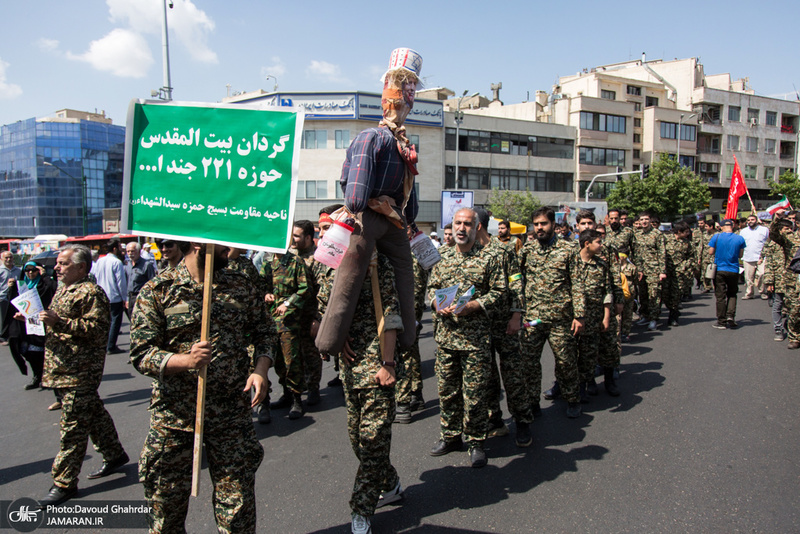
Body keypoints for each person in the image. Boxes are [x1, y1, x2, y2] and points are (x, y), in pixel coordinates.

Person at [131, 242, 276, 533]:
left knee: (237, 508)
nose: (230, 249)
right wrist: (186, 360)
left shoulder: (240, 284)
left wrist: (260, 370)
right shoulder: (158, 291)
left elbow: (265, 330)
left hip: (231, 413)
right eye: (223, 244)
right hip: (175, 417)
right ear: (199, 244)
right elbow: (141, 353)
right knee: (165, 509)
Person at [316, 48, 423, 357]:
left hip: (367, 219)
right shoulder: (405, 146)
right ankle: (408, 338)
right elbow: (411, 209)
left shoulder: (370, 138)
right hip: (394, 220)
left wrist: (357, 206)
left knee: (348, 275)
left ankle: (328, 342)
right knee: (404, 273)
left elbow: (356, 196)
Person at [37, 244, 129, 507]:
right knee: (94, 414)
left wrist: (60, 322)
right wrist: (34, 320)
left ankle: (64, 483)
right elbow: (58, 323)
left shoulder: (91, 292)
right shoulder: (64, 289)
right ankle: (114, 454)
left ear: (80, 267)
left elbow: (98, 329)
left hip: (79, 371)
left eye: (63, 263)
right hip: (64, 368)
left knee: (72, 430)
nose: (57, 267)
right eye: (58, 263)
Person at [319, 251, 403, 534]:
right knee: (359, 440)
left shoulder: (377, 261)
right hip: (349, 368)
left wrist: (388, 363)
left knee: (373, 439)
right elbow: (323, 310)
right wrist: (334, 336)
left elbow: (390, 313)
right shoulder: (330, 266)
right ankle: (389, 483)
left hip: (377, 365)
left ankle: (361, 510)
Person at [427, 208, 505, 467]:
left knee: (475, 393)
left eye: (467, 224)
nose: (461, 228)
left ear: (477, 228)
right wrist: (435, 304)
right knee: (447, 390)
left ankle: (475, 440)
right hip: (446, 337)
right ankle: (450, 436)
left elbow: (499, 291)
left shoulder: (489, 258)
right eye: (458, 223)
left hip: (475, 340)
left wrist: (475, 305)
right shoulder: (442, 256)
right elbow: (432, 288)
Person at [474, 208, 533, 445]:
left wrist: (517, 315)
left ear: (478, 225)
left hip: (504, 322)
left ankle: (522, 422)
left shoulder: (504, 250)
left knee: (513, 375)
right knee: (486, 376)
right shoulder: (470, 252)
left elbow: (516, 282)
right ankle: (495, 420)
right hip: (479, 325)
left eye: (468, 223)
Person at [519, 207, 585, 418]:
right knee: (529, 363)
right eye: (536, 224)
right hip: (533, 319)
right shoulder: (527, 250)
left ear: (553, 225)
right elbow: (516, 279)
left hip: (560, 318)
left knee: (565, 361)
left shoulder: (568, 249)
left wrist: (579, 315)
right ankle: (532, 402)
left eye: (543, 223)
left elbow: (577, 282)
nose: (539, 228)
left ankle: (572, 399)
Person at [262, 249, 309, 420]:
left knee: (291, 360)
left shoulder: (295, 263)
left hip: (289, 321)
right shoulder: (268, 265)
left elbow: (304, 289)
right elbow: (262, 286)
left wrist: (288, 303)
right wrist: (266, 294)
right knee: (279, 362)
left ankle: (297, 399)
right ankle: (286, 394)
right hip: (272, 320)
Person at [394, 224, 429, 424]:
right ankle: (416, 394)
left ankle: (403, 404)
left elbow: (415, 287)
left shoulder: (415, 249)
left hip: (407, 309)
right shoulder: (406, 248)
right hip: (409, 308)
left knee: (403, 353)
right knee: (411, 351)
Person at [7, 261, 57, 389]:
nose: (30, 273)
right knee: (25, 350)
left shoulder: (44, 283)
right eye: (27, 271)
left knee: (42, 352)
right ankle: (37, 375)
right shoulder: (21, 285)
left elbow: (54, 289)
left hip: (41, 322)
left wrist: (45, 276)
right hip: (24, 324)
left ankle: (45, 376)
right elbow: (12, 301)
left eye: (33, 270)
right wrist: (10, 288)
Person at [291, 220, 324, 406]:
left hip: (310, 316)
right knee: (295, 355)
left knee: (311, 354)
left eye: (297, 236)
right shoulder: (291, 256)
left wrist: (318, 319)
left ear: (309, 237)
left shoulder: (318, 258)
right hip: (293, 317)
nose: (293, 239)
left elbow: (322, 291)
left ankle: (313, 388)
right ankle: (296, 390)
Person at [91, 239, 127, 354]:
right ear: (115, 249)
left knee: (106, 322)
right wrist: (124, 297)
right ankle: (111, 346)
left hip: (102, 295)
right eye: (120, 248)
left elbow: (95, 277)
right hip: (114, 296)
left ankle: (105, 343)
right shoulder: (117, 262)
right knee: (115, 322)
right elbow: (121, 282)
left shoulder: (100, 261)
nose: (122, 250)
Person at [709, 219, 746, 329]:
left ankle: (721, 321)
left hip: (720, 269)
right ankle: (731, 316)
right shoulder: (739, 238)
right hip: (734, 269)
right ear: (733, 226)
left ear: (721, 227)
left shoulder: (717, 237)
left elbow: (711, 252)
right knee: (732, 293)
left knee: (720, 296)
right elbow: (740, 255)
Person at [632, 211, 666, 331]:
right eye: (642, 220)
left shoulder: (657, 234)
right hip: (641, 270)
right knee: (643, 294)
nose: (644, 222)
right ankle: (645, 316)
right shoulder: (637, 234)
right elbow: (635, 253)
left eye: (646, 219)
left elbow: (662, 253)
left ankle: (653, 319)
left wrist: (662, 271)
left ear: (650, 220)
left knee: (654, 295)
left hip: (654, 269)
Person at [739, 215, 769, 300]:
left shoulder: (764, 230)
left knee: (762, 274)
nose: (750, 221)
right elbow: (741, 244)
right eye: (748, 220)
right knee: (748, 277)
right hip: (748, 256)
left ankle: (762, 292)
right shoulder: (743, 231)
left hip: (761, 257)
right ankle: (749, 293)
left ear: (756, 220)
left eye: (752, 219)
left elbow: (768, 242)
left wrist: (763, 256)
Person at [125, 242, 157, 319]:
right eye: (128, 251)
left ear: (139, 251)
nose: (130, 254)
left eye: (132, 251)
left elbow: (153, 283)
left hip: (141, 297)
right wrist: (127, 299)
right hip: (131, 297)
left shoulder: (146, 265)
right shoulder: (127, 265)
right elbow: (126, 283)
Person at [0, 250, 22, 345]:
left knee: (13, 318)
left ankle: (12, 336)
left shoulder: (18, 271)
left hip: (15, 298)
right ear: (1, 259)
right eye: (6, 258)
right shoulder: (1, 271)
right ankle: (2, 337)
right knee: (2, 318)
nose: (9, 259)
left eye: (10, 257)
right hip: (3, 297)